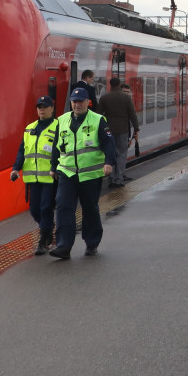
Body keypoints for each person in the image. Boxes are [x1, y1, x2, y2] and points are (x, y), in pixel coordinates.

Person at [50, 87, 119, 259]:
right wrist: (53, 167)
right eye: (74, 101)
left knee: (90, 209)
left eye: (80, 101)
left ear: (88, 102)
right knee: (64, 208)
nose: (77, 104)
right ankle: (63, 246)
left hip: (90, 175)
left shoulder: (98, 120)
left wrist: (109, 162)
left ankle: (91, 243)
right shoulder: (62, 120)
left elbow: (109, 143)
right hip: (67, 174)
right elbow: (55, 147)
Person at [10, 95, 60, 254]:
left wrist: (56, 168)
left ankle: (43, 240)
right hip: (32, 177)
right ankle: (47, 227)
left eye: (45, 106)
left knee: (46, 207)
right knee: (34, 210)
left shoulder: (59, 127)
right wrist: (16, 168)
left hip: (50, 177)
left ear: (52, 108)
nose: (41, 109)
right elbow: (22, 150)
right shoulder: (29, 128)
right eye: (39, 107)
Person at [96, 76, 141, 186]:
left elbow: (98, 115)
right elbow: (132, 114)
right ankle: (119, 179)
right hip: (123, 130)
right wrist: (136, 128)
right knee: (121, 154)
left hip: (108, 130)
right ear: (119, 85)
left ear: (110, 85)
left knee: (111, 153)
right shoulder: (126, 97)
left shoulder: (104, 98)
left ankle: (111, 178)